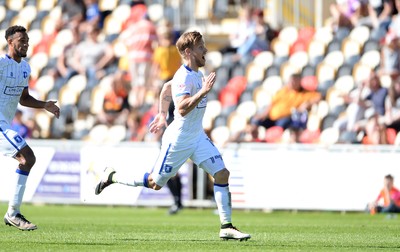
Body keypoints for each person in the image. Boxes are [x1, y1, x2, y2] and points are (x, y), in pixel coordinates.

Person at [95, 31, 251, 241]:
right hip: (179, 139)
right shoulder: (184, 77)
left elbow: (166, 87)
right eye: (200, 47)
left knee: (222, 174)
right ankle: (111, 176)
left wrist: (161, 113)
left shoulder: (193, 72)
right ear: (189, 52)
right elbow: (183, 108)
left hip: (197, 136)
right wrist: (203, 92)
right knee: (155, 183)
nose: (205, 50)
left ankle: (226, 226)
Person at [0, 25, 60, 231]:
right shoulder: (0, 63)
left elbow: (23, 99)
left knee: (26, 160)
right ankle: (13, 213)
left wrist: (44, 105)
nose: (25, 44)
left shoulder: (25, 67)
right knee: (28, 158)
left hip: (4, 123)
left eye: (27, 41)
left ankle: (12, 213)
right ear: (10, 42)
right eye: (21, 41)